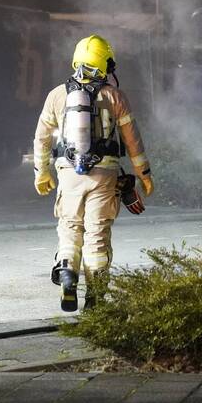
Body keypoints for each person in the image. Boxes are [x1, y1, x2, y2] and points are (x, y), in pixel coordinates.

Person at [32, 35, 153, 311]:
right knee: (97, 233)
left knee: (70, 228)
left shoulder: (57, 95)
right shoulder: (114, 96)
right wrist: (143, 174)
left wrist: (42, 172)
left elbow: (42, 138)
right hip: (105, 175)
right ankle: (95, 298)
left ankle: (67, 279)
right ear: (105, 63)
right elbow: (133, 140)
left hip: (68, 173)